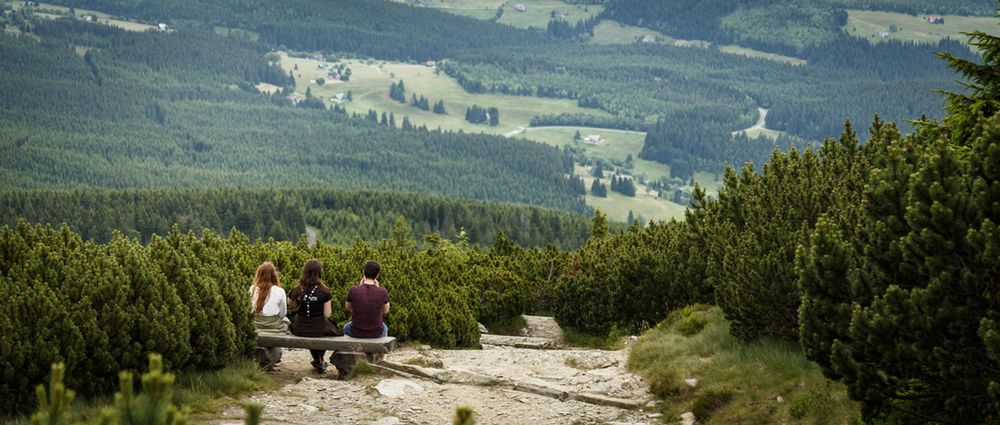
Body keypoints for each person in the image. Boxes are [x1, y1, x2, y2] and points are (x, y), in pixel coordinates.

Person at [289, 259, 342, 373]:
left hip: (300, 328)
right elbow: (327, 314)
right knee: (327, 330)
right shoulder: (325, 291)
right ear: (319, 272)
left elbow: (291, 305)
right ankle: (320, 359)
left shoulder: (297, 289)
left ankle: (318, 360)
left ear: (305, 271)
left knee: (312, 331)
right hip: (318, 327)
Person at [249, 262, 288, 371]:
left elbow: (249, 310)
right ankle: (273, 355)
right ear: (274, 275)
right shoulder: (280, 291)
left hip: (256, 325)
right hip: (273, 327)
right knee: (286, 321)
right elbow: (282, 314)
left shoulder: (252, 289)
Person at [344, 260, 390, 339]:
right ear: (377, 275)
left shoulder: (353, 290)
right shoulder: (383, 291)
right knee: (385, 327)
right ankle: (380, 349)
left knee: (346, 326)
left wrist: (359, 287)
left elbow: (348, 307)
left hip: (356, 331)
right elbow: (386, 311)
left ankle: (352, 348)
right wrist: (377, 288)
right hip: (376, 332)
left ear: (363, 272)